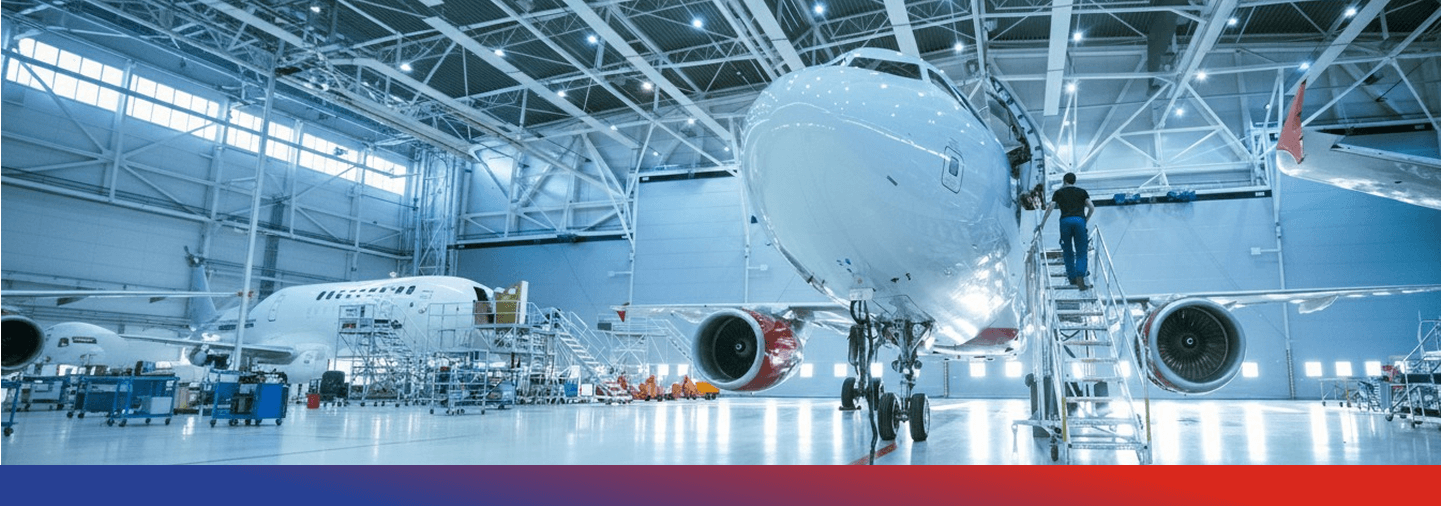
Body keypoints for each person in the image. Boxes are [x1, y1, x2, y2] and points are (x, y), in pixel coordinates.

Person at [1040, 173, 1095, 289]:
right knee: (1081, 250)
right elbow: (1091, 207)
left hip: (1065, 221)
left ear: (1064, 180)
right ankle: (1080, 274)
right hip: (1079, 220)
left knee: (1068, 251)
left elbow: (1050, 207)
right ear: (1074, 181)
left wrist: (1042, 224)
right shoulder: (1082, 192)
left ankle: (1072, 277)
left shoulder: (1059, 192)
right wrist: (1086, 219)